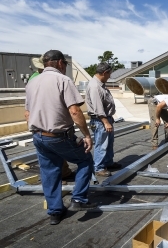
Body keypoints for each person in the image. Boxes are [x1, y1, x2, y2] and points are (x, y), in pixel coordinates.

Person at [25, 50, 97, 225]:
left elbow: (27, 113)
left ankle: (55, 212)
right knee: (85, 160)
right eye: (64, 64)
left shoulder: (32, 83)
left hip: (39, 136)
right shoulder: (63, 80)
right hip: (59, 136)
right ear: (59, 63)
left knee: (49, 173)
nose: (65, 67)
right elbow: (74, 111)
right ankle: (78, 199)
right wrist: (87, 135)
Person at [29, 54, 73, 184]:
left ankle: (62, 174)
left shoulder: (33, 79)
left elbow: (28, 111)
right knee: (56, 155)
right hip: (52, 128)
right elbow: (72, 109)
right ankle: (57, 177)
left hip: (39, 128)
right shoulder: (57, 79)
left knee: (48, 156)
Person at [86, 62, 121, 177]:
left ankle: (108, 162)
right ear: (104, 73)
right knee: (101, 145)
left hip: (105, 120)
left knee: (109, 143)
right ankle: (99, 168)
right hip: (100, 121)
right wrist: (106, 122)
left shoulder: (100, 84)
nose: (109, 76)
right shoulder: (95, 86)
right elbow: (98, 108)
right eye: (109, 74)